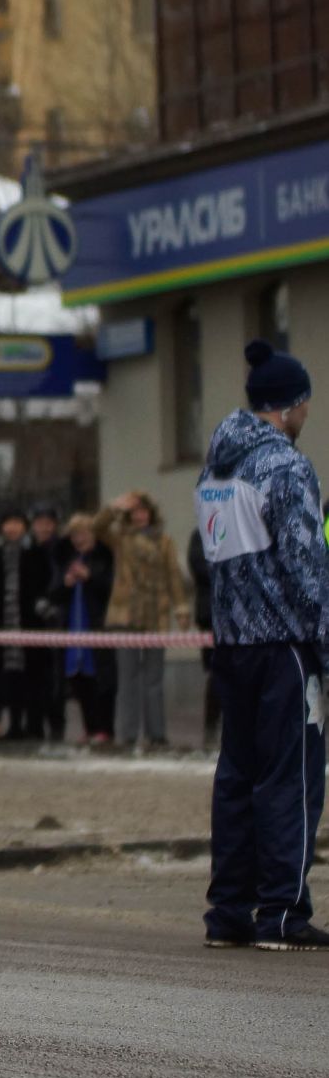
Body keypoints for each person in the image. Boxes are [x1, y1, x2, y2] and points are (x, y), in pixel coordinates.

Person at [195, 339, 329, 950]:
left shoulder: (215, 466)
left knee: (237, 776)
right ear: (293, 404)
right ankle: (282, 914)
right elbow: (306, 566)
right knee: (291, 778)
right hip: (284, 646)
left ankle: (228, 912)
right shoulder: (286, 467)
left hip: (233, 645)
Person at [97, 489, 189, 751]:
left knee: (154, 679)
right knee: (127, 679)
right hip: (125, 616)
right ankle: (127, 734)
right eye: (135, 511)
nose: (140, 516)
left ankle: (157, 734)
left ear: (151, 513)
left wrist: (181, 608)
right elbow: (97, 527)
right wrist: (115, 506)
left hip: (155, 616)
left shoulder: (165, 542)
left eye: (143, 510)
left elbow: (174, 576)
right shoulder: (121, 539)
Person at [0, 508, 45, 741]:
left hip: (30, 623)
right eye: (8, 522)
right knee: (7, 677)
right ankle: (14, 725)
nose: (12, 528)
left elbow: (42, 583)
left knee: (33, 677)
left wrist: (42, 608)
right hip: (1, 624)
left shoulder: (35, 551)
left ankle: (36, 726)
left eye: (17, 522)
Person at [54, 512, 116, 745]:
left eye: (83, 533)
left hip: (97, 626)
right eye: (75, 534)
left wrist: (89, 577)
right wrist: (66, 583)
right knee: (79, 681)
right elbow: (55, 593)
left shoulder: (104, 557)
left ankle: (105, 728)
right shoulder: (68, 560)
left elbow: (109, 589)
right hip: (72, 629)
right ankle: (89, 728)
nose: (79, 538)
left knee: (101, 679)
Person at [26, 506, 68, 743]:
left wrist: (52, 600)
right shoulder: (30, 550)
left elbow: (60, 578)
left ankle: (56, 725)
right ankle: (35, 726)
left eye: (47, 522)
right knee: (35, 676)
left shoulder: (61, 549)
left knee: (55, 678)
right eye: (39, 522)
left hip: (56, 618)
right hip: (32, 621)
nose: (43, 527)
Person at [186, 527, 221, 750]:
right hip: (211, 613)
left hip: (241, 613)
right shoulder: (201, 533)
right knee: (215, 674)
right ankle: (211, 728)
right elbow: (199, 567)